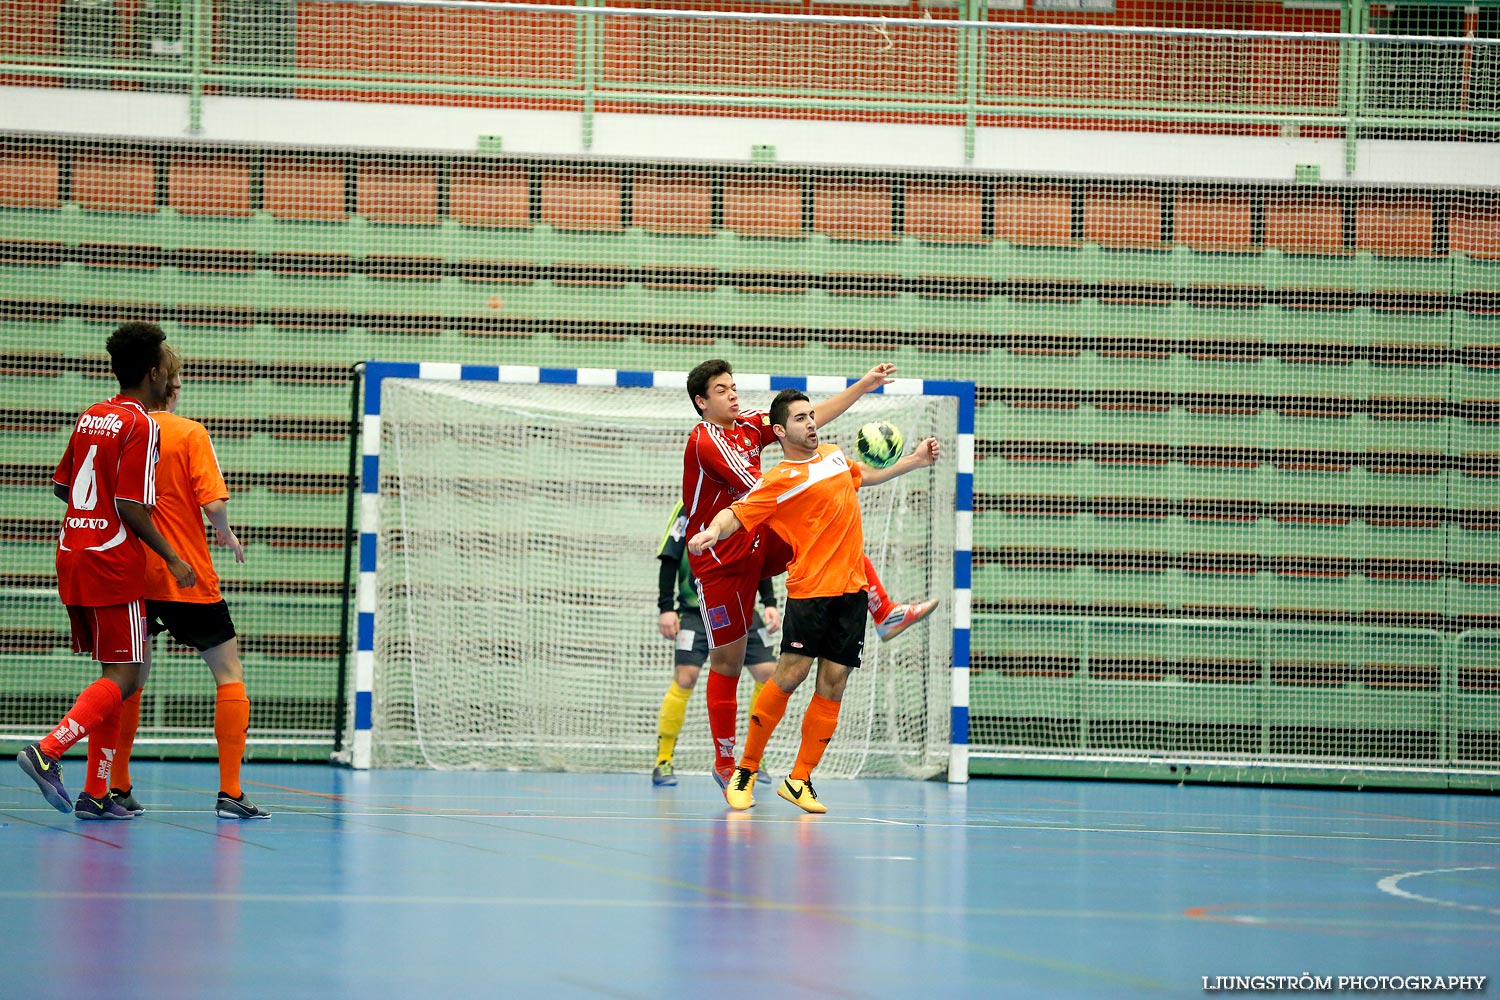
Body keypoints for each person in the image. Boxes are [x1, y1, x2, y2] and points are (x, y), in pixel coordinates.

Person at [681, 359, 937, 786]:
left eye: (733, 386)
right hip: (720, 555)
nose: (733, 394)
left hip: (757, 538)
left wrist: (864, 386)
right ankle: (726, 762)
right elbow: (771, 489)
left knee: (832, 526)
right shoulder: (706, 442)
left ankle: (885, 611)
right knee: (728, 660)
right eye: (722, 390)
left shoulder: (747, 425)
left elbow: (805, 419)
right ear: (701, 402)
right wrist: (824, 471)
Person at [16, 322, 196, 820]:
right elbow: (130, 504)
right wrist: (173, 557)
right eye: (167, 370)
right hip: (114, 559)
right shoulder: (142, 425)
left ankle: (96, 794)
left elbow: (63, 487)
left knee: (116, 676)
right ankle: (49, 749)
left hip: (73, 550)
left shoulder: (92, 415)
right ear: (155, 373)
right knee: (128, 674)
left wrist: (88, 517)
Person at [108, 367, 270, 820]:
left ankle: (116, 785)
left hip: (131, 574)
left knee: (130, 680)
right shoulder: (189, 433)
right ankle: (230, 793)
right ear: (172, 388)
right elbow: (214, 504)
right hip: (185, 575)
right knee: (228, 672)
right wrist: (227, 535)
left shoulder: (121, 429)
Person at [651, 499, 780, 787]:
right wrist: (666, 607)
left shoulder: (748, 506)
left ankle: (753, 759)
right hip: (696, 608)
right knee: (686, 676)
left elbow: (758, 555)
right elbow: (670, 556)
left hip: (740, 605)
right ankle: (663, 759)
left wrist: (769, 602)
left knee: (768, 673)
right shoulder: (688, 507)